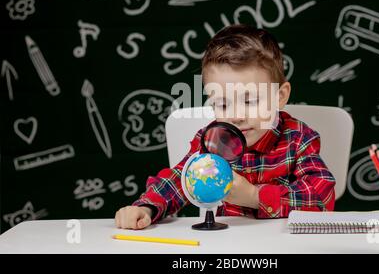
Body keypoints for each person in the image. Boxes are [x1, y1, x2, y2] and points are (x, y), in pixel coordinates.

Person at [115, 24, 335, 230]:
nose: (236, 116)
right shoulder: (213, 140)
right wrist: (146, 207)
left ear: (280, 96)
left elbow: (322, 197)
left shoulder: (298, 137)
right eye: (222, 103)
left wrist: (254, 196)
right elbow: (179, 181)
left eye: (250, 101)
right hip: (226, 244)